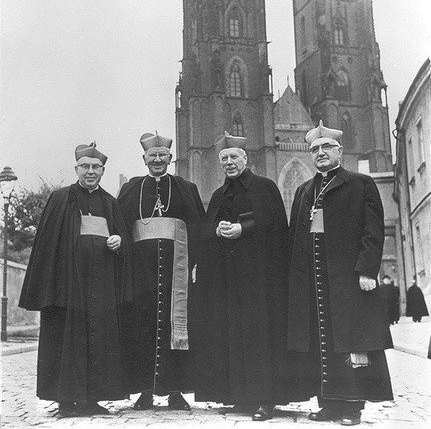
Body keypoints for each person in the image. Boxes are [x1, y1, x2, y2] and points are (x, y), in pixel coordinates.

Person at [286, 121, 393, 426]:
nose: (320, 153)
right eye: (315, 149)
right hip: (314, 281)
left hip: (349, 279)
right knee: (321, 342)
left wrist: (367, 270)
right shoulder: (304, 190)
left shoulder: (360, 184)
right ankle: (328, 403)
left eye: (326, 148)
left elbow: (373, 232)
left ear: (340, 152)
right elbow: (296, 236)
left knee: (350, 341)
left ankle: (352, 407)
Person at [19, 142, 132, 417]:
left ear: (103, 171)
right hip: (67, 284)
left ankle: (93, 399)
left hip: (101, 285)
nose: (90, 172)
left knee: (98, 339)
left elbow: (121, 238)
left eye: (96, 167)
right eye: (85, 167)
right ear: (76, 168)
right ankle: (65, 400)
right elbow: (47, 244)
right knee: (66, 339)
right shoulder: (60, 198)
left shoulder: (110, 202)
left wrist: (119, 241)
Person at [195, 132, 291, 421]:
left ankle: (265, 398)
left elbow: (275, 224)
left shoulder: (264, 187)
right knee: (231, 333)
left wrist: (242, 228)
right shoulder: (217, 195)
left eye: (234, 157)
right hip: (228, 281)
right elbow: (206, 231)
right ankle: (240, 396)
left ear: (246, 158)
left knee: (259, 335)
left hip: (260, 280)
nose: (229, 162)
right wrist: (217, 230)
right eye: (224, 158)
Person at [118, 132, 204, 411]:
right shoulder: (132, 188)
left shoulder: (185, 187)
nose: (157, 160)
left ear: (170, 158)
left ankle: (175, 391)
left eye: (162, 155)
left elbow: (197, 226)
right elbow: (120, 226)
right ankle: (144, 390)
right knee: (141, 327)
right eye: (152, 156)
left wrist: (195, 264)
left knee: (174, 325)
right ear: (144, 159)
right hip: (140, 270)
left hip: (175, 270)